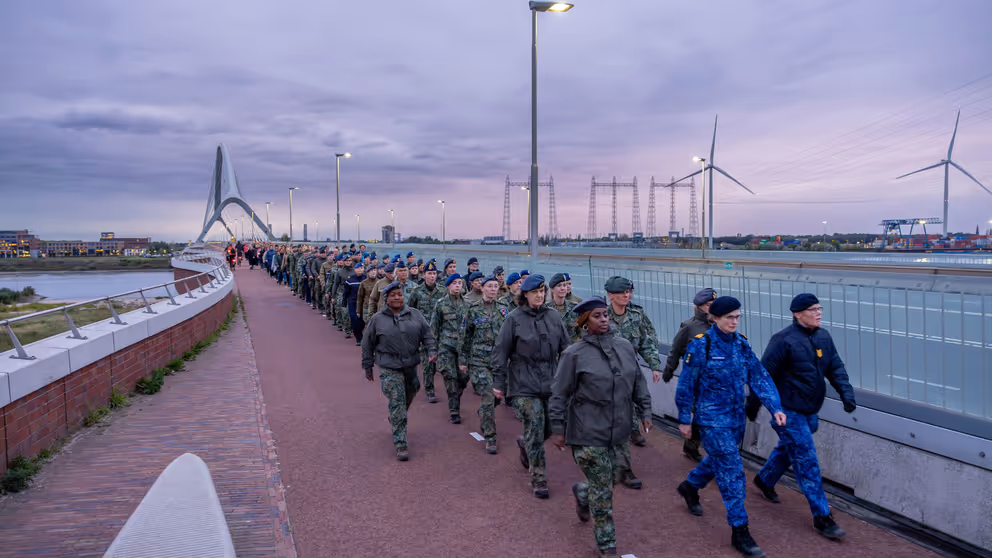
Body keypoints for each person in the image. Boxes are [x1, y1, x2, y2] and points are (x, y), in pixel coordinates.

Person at [675, 296, 786, 558]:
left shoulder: (741, 344)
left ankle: (690, 486)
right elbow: (686, 384)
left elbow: (759, 377)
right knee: (734, 471)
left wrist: (775, 407)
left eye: (737, 317)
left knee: (718, 461)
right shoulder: (701, 346)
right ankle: (740, 530)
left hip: (736, 420)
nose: (734, 322)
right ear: (715, 318)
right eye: (729, 318)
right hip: (712, 420)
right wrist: (683, 418)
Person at [746, 293, 854, 541]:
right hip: (787, 412)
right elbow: (764, 376)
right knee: (807, 461)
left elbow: (835, 367)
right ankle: (822, 517)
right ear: (797, 313)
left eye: (820, 308)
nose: (819, 313)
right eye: (813, 309)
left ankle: (765, 480)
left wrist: (847, 394)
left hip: (809, 411)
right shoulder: (783, 340)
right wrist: (753, 406)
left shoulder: (823, 336)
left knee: (790, 449)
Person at [550, 297, 652, 558]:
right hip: (587, 432)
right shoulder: (573, 355)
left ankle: (582, 492)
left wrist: (645, 410)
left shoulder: (624, 346)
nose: (604, 319)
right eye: (597, 316)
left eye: (605, 315)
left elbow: (638, 381)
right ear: (584, 323)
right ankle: (606, 544)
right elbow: (559, 394)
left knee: (615, 477)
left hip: (618, 429)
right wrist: (558, 428)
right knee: (603, 490)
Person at [492, 274, 570, 499]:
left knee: (553, 424)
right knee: (535, 423)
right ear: (524, 294)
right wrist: (499, 382)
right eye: (534, 292)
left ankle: (525, 444)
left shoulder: (554, 317)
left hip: (551, 382)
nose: (539, 295)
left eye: (542, 292)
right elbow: (501, 352)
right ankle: (539, 478)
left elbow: (566, 350)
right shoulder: (514, 319)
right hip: (523, 383)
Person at [363, 282, 438, 461]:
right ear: (386, 298)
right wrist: (367, 366)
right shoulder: (377, 319)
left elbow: (427, 335)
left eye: (400, 294)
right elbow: (367, 344)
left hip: (410, 364)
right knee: (397, 400)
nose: (398, 297)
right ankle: (400, 443)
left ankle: (397, 416)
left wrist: (432, 351)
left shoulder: (415, 315)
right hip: (389, 365)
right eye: (393, 295)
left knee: (413, 388)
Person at [603, 275, 660, 489]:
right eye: (622, 293)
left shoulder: (637, 315)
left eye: (629, 292)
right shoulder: (600, 316)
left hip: (629, 372)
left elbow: (647, 341)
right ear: (610, 296)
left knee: (623, 420)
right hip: (604, 376)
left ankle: (624, 469)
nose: (627, 296)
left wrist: (654, 364)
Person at [661, 287, 717, 462]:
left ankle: (691, 447)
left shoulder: (720, 325)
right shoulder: (689, 326)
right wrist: (669, 370)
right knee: (706, 419)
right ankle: (714, 459)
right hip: (695, 383)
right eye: (709, 305)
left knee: (703, 419)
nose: (713, 308)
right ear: (699, 307)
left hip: (715, 384)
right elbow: (676, 349)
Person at [457, 275, 509, 454]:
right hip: (479, 360)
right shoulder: (472, 309)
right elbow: (466, 336)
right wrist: (463, 360)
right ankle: (491, 436)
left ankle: (484, 413)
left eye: (496, 286)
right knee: (488, 394)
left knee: (498, 396)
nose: (494, 289)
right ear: (483, 288)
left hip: (499, 360)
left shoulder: (504, 309)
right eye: (490, 286)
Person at [431, 274, 469, 423]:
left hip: (463, 348)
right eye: (454, 283)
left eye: (460, 283)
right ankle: (454, 411)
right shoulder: (441, 304)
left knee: (464, 377)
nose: (458, 286)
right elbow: (434, 328)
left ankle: (455, 395)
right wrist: (433, 350)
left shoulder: (467, 304)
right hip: (446, 346)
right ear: (448, 286)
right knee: (450, 377)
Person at [409, 260, 446, 403]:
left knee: (443, 364)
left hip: (441, 333)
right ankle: (430, 390)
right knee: (428, 364)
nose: (432, 276)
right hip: (424, 334)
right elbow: (410, 311)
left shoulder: (443, 291)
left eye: (434, 273)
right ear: (423, 275)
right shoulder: (417, 292)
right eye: (429, 273)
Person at [546, 273, 579, 342]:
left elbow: (581, 331)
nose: (563, 288)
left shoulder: (575, 308)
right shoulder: (546, 309)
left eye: (564, 285)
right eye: (559, 285)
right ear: (552, 289)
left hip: (572, 349)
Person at [342, 261, 366, 345]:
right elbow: (346, 292)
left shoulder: (365, 279)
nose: (360, 270)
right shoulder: (350, 280)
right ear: (355, 269)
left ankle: (360, 333)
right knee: (355, 320)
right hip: (353, 303)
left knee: (362, 321)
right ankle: (358, 338)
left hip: (363, 303)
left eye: (361, 268)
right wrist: (344, 303)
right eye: (358, 268)